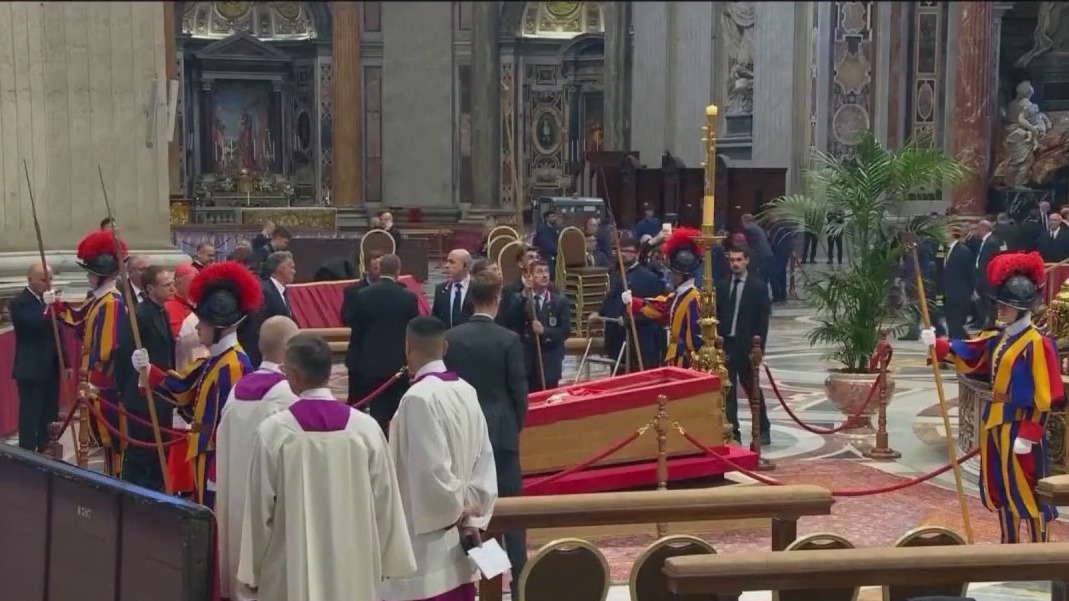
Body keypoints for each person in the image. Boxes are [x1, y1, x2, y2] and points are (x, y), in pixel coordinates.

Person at [236, 334, 416, 601]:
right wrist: (390, 559)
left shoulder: (274, 432)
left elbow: (260, 508)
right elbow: (386, 500)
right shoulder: (365, 429)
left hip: (292, 566)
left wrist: (252, 570)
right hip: (355, 562)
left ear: (293, 375)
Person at [922, 251, 1064, 543]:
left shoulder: (1038, 344)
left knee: (1029, 490)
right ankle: (1009, 545)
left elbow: (1045, 394)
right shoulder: (999, 338)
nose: (1001, 310)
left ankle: (1039, 549)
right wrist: (937, 344)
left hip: (1021, 427)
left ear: (1022, 308)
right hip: (995, 424)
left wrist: (1031, 431)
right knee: (1002, 488)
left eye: (1007, 306)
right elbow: (971, 352)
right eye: (1000, 305)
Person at [382, 316, 497, 601]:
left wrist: (456, 507)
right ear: (444, 347)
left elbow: (431, 476)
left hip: (426, 553)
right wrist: (472, 509)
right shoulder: (466, 389)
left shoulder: (417, 399)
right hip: (459, 539)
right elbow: (484, 460)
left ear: (407, 347)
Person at [133, 261, 260, 507]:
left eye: (205, 323)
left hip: (217, 459)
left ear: (221, 328)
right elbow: (185, 388)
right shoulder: (218, 358)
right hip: (204, 453)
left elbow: (226, 426)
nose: (199, 327)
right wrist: (147, 370)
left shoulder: (232, 366)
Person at [444, 272, 528, 583]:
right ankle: (520, 580)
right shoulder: (508, 339)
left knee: (469, 509)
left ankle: (481, 578)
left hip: (464, 432)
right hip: (502, 431)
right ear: (495, 301)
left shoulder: (451, 338)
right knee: (511, 509)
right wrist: (513, 427)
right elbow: (519, 392)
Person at [216, 316, 299, 601]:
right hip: (270, 503)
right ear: (289, 347)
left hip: (236, 497)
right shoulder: (288, 393)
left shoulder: (238, 389)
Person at [47, 229, 130, 477]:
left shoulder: (112, 303)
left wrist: (94, 380)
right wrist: (56, 306)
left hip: (103, 383)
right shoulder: (96, 299)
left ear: (102, 276)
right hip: (92, 380)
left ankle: (116, 478)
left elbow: (107, 350)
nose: (89, 277)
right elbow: (78, 319)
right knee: (103, 442)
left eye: (92, 273)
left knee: (113, 441)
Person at [114, 265, 176, 491]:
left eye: (172, 283)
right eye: (166, 285)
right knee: (142, 451)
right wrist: (125, 390)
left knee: (158, 449)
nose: (172, 288)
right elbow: (124, 354)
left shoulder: (162, 311)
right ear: (150, 288)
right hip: (142, 395)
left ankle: (157, 488)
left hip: (161, 392)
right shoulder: (140, 315)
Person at [343, 254, 420, 430]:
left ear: (381, 270)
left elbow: (356, 328)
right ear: (398, 271)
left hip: (367, 362)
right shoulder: (408, 297)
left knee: (373, 414)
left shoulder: (362, 295)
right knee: (394, 414)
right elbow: (411, 331)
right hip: (398, 364)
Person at [715, 246, 772, 446]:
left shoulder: (757, 287)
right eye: (732, 260)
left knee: (753, 389)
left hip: (747, 345)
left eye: (739, 259)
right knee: (728, 390)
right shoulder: (721, 286)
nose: (735, 264)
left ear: (746, 260)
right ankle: (733, 430)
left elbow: (762, 320)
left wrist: (759, 349)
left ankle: (763, 428)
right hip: (727, 345)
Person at [622, 228, 703, 368]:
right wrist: (633, 302)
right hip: (674, 357)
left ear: (682, 275)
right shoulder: (679, 295)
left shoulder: (694, 298)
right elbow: (663, 308)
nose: (671, 276)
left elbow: (695, 340)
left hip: (686, 362)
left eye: (674, 273)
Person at [11, 261, 62, 452]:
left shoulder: (48, 301)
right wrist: (47, 309)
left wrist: (64, 360)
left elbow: (57, 332)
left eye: (50, 279)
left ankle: (46, 448)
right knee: (30, 415)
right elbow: (32, 326)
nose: (47, 283)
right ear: (30, 279)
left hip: (51, 367)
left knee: (49, 414)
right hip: (31, 368)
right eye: (43, 280)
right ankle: (27, 455)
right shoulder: (20, 302)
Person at [596, 236, 665, 371]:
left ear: (637, 254)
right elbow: (611, 301)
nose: (624, 254)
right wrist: (599, 312)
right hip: (617, 341)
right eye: (621, 251)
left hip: (639, 342)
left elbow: (654, 310)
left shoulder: (648, 278)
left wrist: (630, 319)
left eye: (628, 251)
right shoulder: (616, 274)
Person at [510, 260, 570, 391]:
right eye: (539, 272)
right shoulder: (521, 299)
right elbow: (513, 322)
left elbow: (565, 331)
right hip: (528, 362)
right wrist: (525, 294)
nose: (545, 275)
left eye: (547, 271)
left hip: (549, 362)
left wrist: (545, 331)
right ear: (529, 277)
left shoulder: (559, 301)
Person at [241, 250, 295, 367]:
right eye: (291, 267)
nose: (294, 271)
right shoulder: (264, 290)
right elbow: (256, 326)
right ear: (281, 268)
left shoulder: (283, 292)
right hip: (260, 358)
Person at [936, 225, 975, 339]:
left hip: (959, 294)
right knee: (951, 323)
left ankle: (957, 346)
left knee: (956, 325)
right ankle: (954, 343)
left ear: (951, 234)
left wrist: (967, 294)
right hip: (949, 293)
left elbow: (970, 274)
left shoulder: (963, 251)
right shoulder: (947, 249)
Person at [431, 249, 474, 328]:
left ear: (465, 265)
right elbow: (435, 319)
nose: (447, 265)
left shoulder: (478, 287)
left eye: (452, 262)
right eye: (447, 261)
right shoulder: (440, 290)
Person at [165, 263, 197, 337]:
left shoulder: (197, 301)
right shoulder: (169, 305)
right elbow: (178, 334)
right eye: (192, 283)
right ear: (179, 283)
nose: (195, 287)